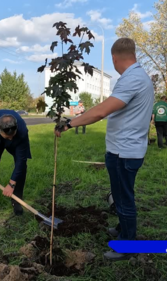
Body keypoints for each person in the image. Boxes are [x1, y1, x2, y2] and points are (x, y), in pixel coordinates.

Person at [54, 38, 154, 261]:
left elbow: (102, 111)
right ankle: (122, 229)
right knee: (120, 195)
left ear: (114, 58)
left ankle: (127, 247)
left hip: (125, 151)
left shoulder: (133, 78)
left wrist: (70, 123)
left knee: (124, 199)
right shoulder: (136, 76)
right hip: (123, 149)